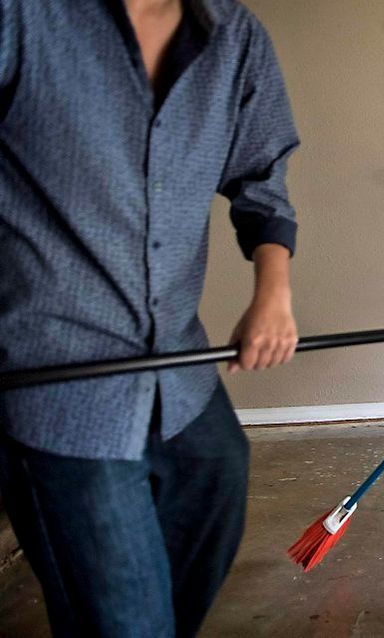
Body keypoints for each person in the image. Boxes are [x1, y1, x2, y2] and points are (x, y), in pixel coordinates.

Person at [0, 0, 301, 635]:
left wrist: (272, 292)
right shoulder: (23, 18)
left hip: (175, 367)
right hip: (59, 382)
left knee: (218, 473)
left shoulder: (235, 36)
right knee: (122, 614)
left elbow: (261, 177)